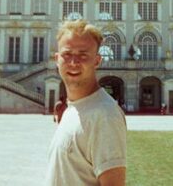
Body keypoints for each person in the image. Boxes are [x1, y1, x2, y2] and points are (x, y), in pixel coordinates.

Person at [46, 19, 126, 186]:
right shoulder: (73, 107)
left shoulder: (105, 115)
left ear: (97, 61)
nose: (74, 62)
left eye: (83, 55)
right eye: (67, 54)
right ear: (57, 58)